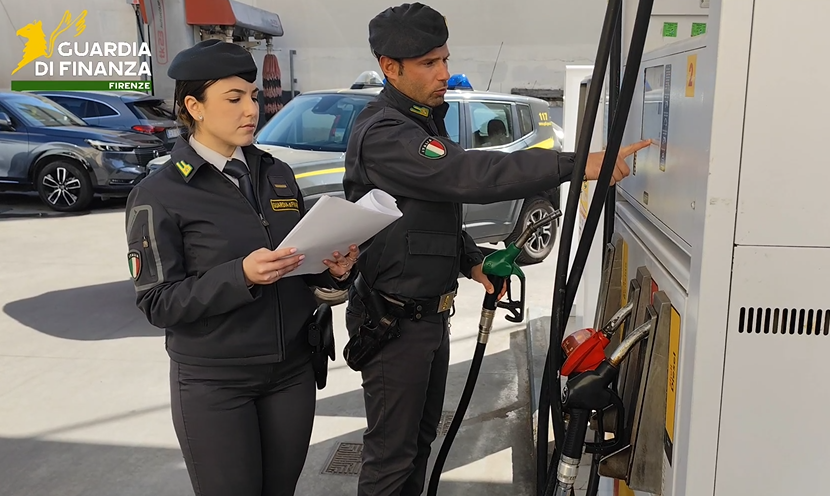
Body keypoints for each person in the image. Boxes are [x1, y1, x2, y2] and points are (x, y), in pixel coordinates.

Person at [342, 3, 652, 496]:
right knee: (391, 460)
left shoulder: (424, 120)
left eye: (445, 58)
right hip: (394, 326)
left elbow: (421, 216)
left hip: (426, 320)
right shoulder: (385, 132)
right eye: (429, 64)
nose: (444, 73)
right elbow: (468, 175)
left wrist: (472, 259)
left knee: (417, 447)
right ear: (389, 67)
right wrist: (580, 164)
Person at [124, 39, 358, 496]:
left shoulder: (277, 174)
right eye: (233, 99)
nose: (251, 108)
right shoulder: (160, 193)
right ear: (194, 106)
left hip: (291, 371)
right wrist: (241, 275)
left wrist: (335, 269)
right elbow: (157, 302)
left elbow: (300, 262)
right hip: (215, 383)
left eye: (252, 95)